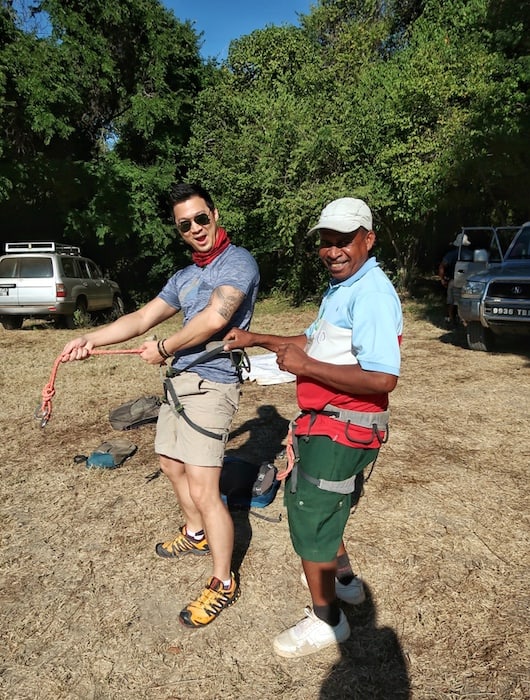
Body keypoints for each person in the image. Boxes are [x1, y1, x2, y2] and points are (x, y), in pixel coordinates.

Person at [61, 183, 260, 628]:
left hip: (212, 383)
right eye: (185, 225)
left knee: (207, 489)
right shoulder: (185, 276)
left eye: (200, 219)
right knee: (170, 463)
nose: (195, 229)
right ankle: (195, 534)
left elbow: (216, 317)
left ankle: (223, 582)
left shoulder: (238, 263)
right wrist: (88, 339)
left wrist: (166, 348)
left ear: (214, 213)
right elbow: (141, 318)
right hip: (178, 384)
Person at [224, 197, 402, 658]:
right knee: (327, 507)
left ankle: (328, 621)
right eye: (326, 242)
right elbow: (312, 342)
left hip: (341, 427)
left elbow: (383, 377)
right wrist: (257, 338)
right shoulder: (343, 288)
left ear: (369, 238)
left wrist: (305, 366)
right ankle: (343, 582)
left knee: (311, 515)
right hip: (328, 424)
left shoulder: (373, 294)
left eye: (344, 240)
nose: (333, 250)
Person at [438, 232, 471, 325]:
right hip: (468, 282)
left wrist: (442, 279)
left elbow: (442, 266)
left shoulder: (451, 254)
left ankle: (451, 319)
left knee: (451, 301)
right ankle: (465, 320)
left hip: (454, 281)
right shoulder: (472, 255)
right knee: (465, 301)